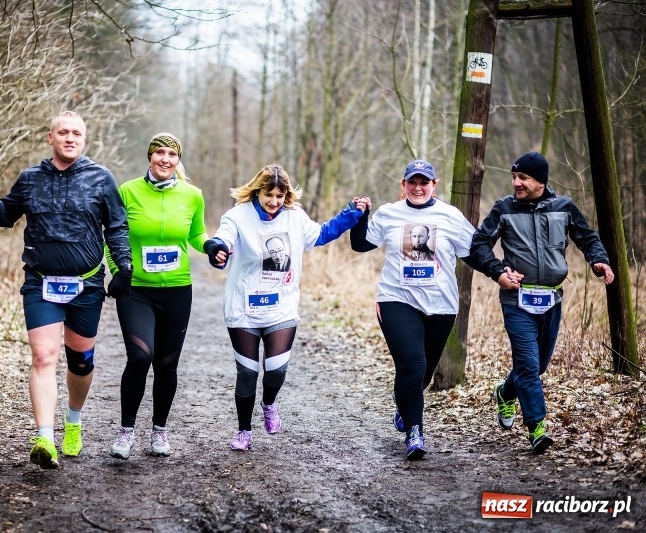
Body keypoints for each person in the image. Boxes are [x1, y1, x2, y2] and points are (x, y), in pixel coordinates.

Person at [0, 111, 133, 469]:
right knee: (43, 356)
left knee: (80, 363)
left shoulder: (101, 179)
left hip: (86, 284)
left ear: (84, 139)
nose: (70, 138)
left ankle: (73, 420)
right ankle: (45, 438)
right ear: (51, 137)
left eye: (76, 133)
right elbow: (4, 214)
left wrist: (124, 267)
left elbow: (116, 227)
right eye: (63, 132)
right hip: (41, 282)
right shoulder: (31, 178)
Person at [204, 164, 370, 451]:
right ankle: (244, 431)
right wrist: (216, 250)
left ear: (286, 195)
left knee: (276, 370)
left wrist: (351, 213)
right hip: (243, 308)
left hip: (281, 306)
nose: (274, 201)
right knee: (248, 373)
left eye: (279, 196)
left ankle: (268, 403)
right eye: (268, 195)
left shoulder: (295, 216)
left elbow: (322, 234)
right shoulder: (237, 216)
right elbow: (223, 239)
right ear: (257, 192)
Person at [471, 151, 614, 454]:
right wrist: (498, 272)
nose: (516, 183)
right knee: (528, 363)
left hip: (551, 299)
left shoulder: (563, 207)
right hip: (516, 299)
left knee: (538, 366)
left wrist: (598, 260)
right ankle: (537, 427)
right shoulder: (504, 209)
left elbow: (587, 237)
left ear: (540, 181)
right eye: (513, 177)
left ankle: (505, 393)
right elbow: (479, 244)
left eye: (523, 178)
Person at [350, 159, 479, 460]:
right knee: (412, 364)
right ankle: (415, 432)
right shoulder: (389, 213)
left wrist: (500, 272)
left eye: (424, 182)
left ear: (434, 185)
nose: (418, 187)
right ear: (404, 184)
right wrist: (361, 216)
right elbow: (360, 244)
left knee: (424, 373)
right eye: (412, 182)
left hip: (440, 304)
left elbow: (475, 253)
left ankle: (404, 403)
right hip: (397, 299)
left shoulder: (450, 215)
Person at [107, 133, 209, 459]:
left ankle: (159, 431)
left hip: (177, 290)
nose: (165, 159)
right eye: (159, 153)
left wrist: (211, 246)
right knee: (140, 357)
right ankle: (126, 432)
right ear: (150, 156)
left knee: (167, 364)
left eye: (172, 154)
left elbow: (196, 234)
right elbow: (114, 235)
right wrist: (119, 270)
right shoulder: (128, 191)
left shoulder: (192, 195)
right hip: (136, 289)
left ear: (178, 159)